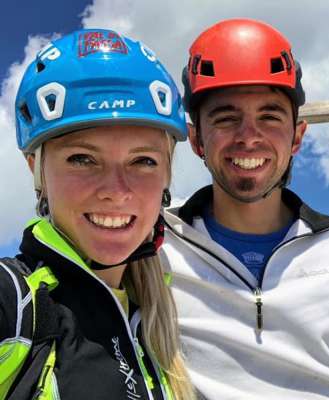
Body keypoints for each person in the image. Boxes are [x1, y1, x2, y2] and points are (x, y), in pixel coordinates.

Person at [162, 18, 329, 400]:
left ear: (297, 136)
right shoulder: (152, 253)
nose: (248, 137)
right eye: (225, 117)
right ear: (196, 140)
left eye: (269, 116)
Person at [0, 29, 195, 400]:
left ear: (167, 176)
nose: (117, 190)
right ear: (36, 170)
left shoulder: (159, 316)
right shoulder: (13, 301)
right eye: (82, 159)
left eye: (143, 161)